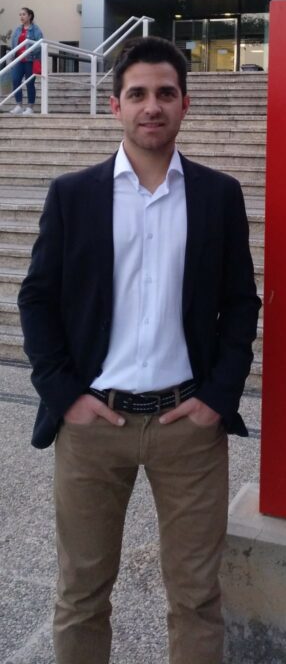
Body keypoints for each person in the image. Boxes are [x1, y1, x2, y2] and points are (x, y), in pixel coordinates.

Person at [18, 35, 261, 664]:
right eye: (137, 94)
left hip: (189, 428)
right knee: (81, 592)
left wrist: (217, 397)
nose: (151, 106)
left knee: (197, 596)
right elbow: (37, 299)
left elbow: (240, 305)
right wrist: (64, 394)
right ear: (114, 105)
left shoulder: (217, 194)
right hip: (94, 425)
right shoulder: (74, 195)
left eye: (165, 93)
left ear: (185, 105)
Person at [10, 6, 43, 115]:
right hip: (18, 60)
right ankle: (19, 105)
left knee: (29, 83)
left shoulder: (36, 29)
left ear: (29, 16)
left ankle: (30, 107)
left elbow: (40, 43)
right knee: (15, 80)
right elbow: (13, 44)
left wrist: (31, 52)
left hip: (30, 60)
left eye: (24, 14)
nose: (21, 16)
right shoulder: (18, 29)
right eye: (20, 15)